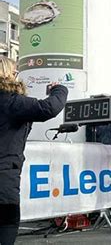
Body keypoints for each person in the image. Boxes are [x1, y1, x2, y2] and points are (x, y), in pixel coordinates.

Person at [0, 56, 68, 245]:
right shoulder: (12, 102)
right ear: (8, 75)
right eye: (15, 73)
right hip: (4, 179)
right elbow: (48, 108)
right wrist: (59, 89)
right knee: (7, 226)